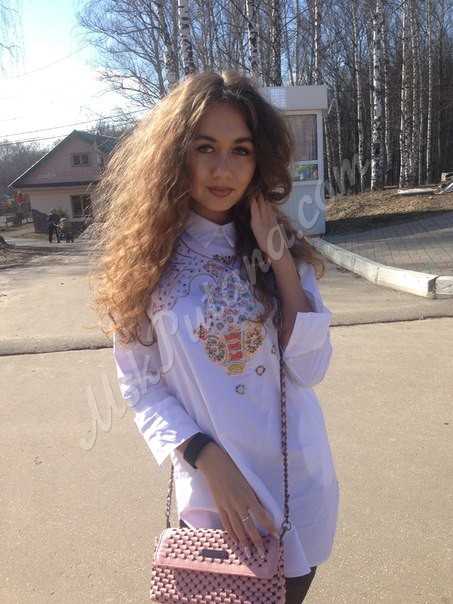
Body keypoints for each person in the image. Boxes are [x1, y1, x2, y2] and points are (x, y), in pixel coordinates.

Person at [90, 71, 339, 604]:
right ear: (174, 155)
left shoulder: (280, 247)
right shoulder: (147, 262)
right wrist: (207, 457)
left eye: (240, 150)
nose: (223, 170)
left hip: (297, 485)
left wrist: (281, 263)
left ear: (259, 159)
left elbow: (310, 368)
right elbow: (140, 385)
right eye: (205, 148)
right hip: (211, 492)